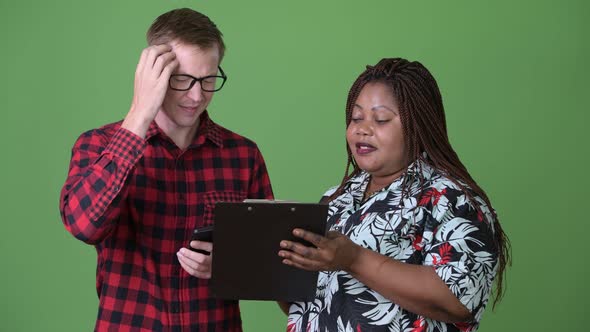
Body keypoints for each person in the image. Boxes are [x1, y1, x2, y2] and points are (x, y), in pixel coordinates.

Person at [59, 8, 273, 331]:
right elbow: (84, 225)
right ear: (153, 75)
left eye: (209, 80)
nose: (197, 95)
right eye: (183, 80)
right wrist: (139, 112)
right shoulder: (98, 145)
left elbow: (273, 267)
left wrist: (229, 266)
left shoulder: (243, 156)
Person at [278, 58, 510, 332]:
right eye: (356, 118)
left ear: (418, 125)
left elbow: (457, 300)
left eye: (381, 119)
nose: (362, 129)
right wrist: (267, 262)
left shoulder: (453, 199)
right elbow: (311, 305)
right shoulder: (336, 197)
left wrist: (353, 258)